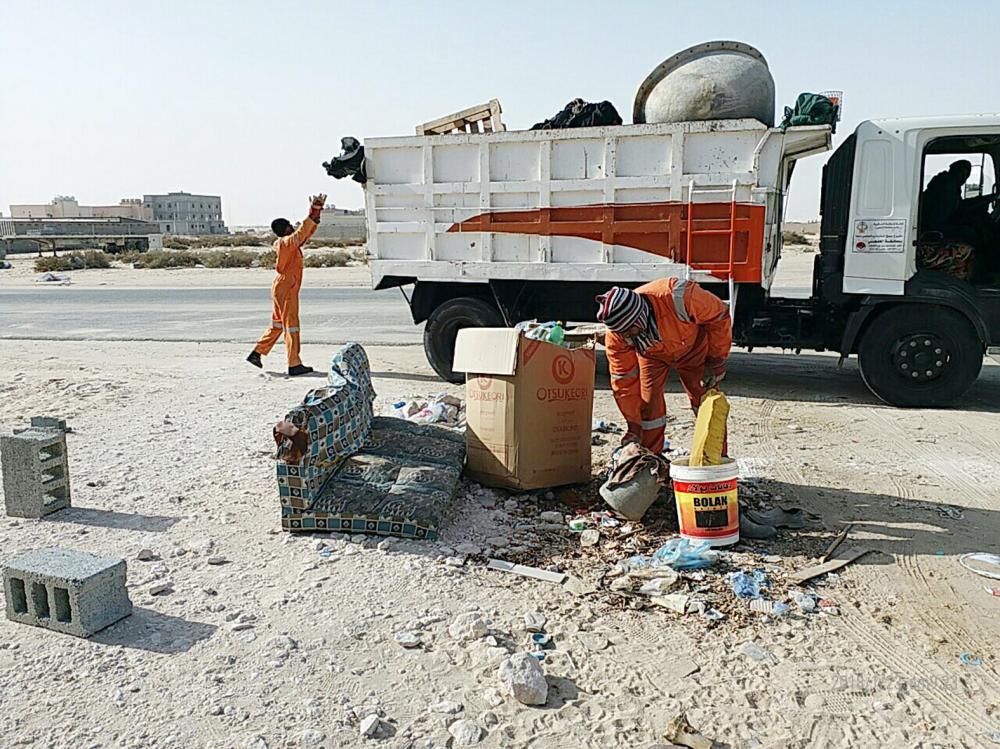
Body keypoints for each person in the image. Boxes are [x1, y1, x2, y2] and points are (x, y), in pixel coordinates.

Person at [597, 279, 732, 453]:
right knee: (649, 406)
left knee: (705, 401)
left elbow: (719, 316)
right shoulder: (617, 335)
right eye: (622, 333)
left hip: (694, 349)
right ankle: (651, 461)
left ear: (639, 317)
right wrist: (634, 425)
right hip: (651, 356)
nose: (626, 336)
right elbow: (623, 381)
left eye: (629, 330)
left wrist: (715, 360)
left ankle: (717, 461)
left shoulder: (680, 296)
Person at [247, 194, 326, 376]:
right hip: (287, 288)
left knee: (278, 324)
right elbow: (300, 234)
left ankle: (257, 352)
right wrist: (313, 211)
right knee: (291, 326)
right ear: (287, 228)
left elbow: (304, 235)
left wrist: (314, 216)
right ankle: (294, 363)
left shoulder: (286, 244)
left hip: (281, 287)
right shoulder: (286, 242)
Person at [921, 160, 995, 243]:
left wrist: (982, 200)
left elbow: (959, 206)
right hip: (936, 226)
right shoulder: (947, 185)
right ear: (954, 171)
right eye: (962, 174)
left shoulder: (948, 184)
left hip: (939, 223)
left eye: (966, 176)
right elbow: (956, 210)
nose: (964, 179)